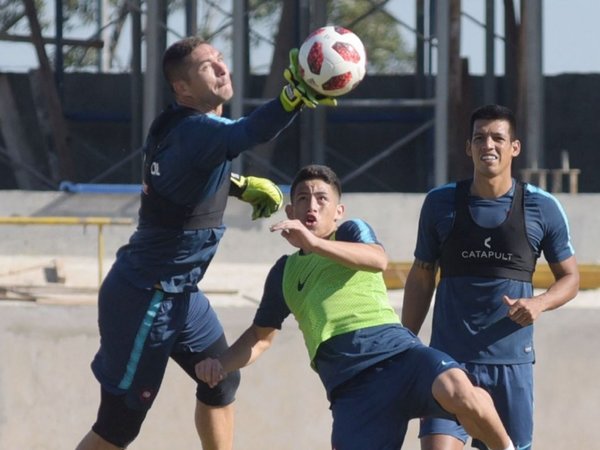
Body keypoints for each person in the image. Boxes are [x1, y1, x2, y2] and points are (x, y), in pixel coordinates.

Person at [76, 37, 336, 450]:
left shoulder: (174, 127)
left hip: (180, 294)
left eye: (220, 58)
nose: (221, 68)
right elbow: (249, 131)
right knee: (118, 425)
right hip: (147, 298)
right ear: (182, 88)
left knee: (222, 378)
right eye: (206, 67)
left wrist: (236, 185)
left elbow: (180, 176)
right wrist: (294, 96)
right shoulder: (200, 131)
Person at [195, 164, 516, 450]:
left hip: (400, 357)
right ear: (291, 211)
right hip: (352, 389)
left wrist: (315, 243)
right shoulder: (283, 272)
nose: (312, 205)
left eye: (322, 198)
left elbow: (377, 259)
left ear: (338, 211)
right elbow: (259, 337)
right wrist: (222, 364)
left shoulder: (351, 232)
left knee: (457, 388)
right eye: (303, 198)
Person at [402, 104, 580, 450]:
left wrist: (539, 303)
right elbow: (422, 276)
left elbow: (570, 278)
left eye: (498, 137)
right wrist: (405, 345)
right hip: (448, 361)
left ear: (515, 147)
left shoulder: (541, 206)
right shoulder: (440, 203)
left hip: (510, 364)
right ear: (468, 147)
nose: (489, 145)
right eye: (480, 138)